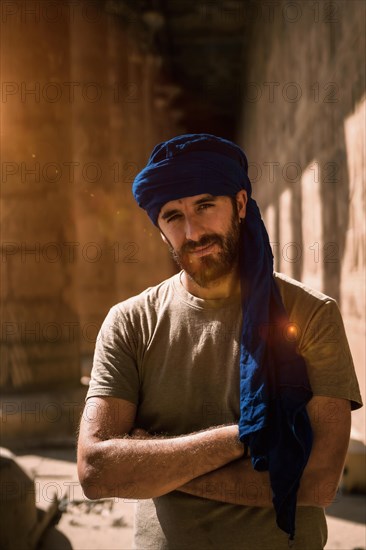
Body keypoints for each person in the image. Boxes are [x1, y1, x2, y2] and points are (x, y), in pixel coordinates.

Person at [77, 134, 362, 550]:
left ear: (241, 205)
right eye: (173, 216)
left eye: (205, 206)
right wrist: (250, 436)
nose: (192, 231)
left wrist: (156, 466)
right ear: (160, 230)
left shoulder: (312, 315)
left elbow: (318, 483)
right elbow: (96, 471)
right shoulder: (130, 323)